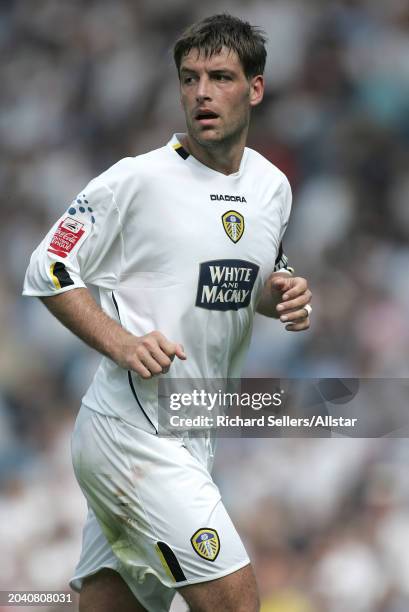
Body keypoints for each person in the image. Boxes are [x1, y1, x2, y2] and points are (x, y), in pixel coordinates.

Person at [23, 13, 312, 612]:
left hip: (193, 434)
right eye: (189, 78)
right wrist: (121, 343)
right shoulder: (137, 182)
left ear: (255, 88)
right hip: (133, 430)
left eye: (221, 77)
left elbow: (242, 279)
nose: (202, 93)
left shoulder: (272, 188)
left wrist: (281, 295)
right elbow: (47, 269)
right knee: (236, 602)